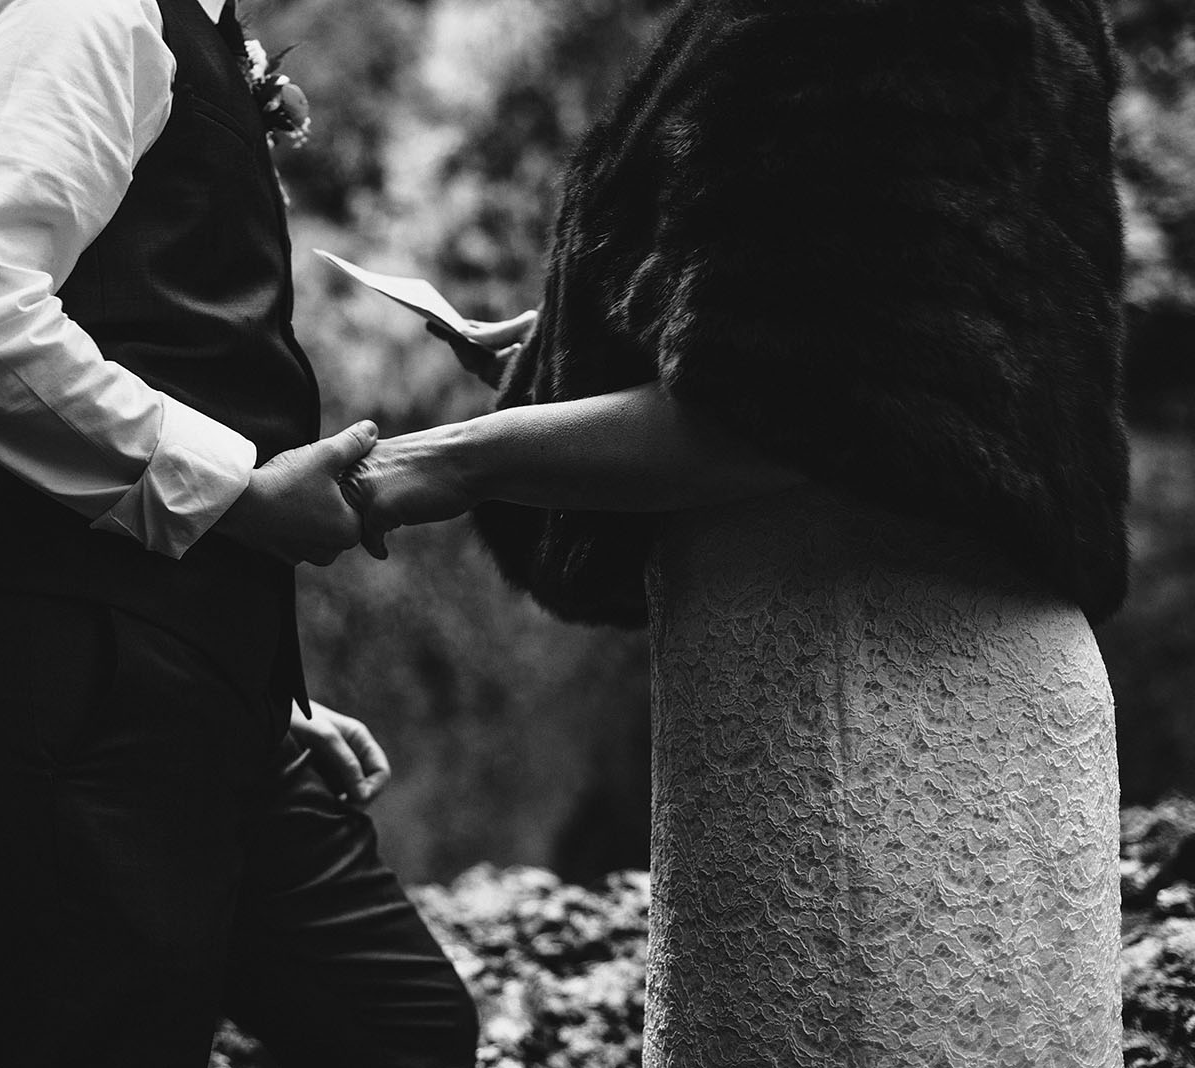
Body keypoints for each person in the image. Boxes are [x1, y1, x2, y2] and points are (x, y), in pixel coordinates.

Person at [345, 0, 1127, 1064]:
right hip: (891, 670)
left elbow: (790, 416)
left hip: (862, 694)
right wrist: (585, 337)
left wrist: (432, 459)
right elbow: (899, 319)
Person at [0, 0, 478, 1064]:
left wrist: (243, 681)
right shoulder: (86, 9)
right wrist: (239, 491)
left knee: (397, 1030)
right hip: (75, 682)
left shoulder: (183, 22)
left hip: (194, 684)